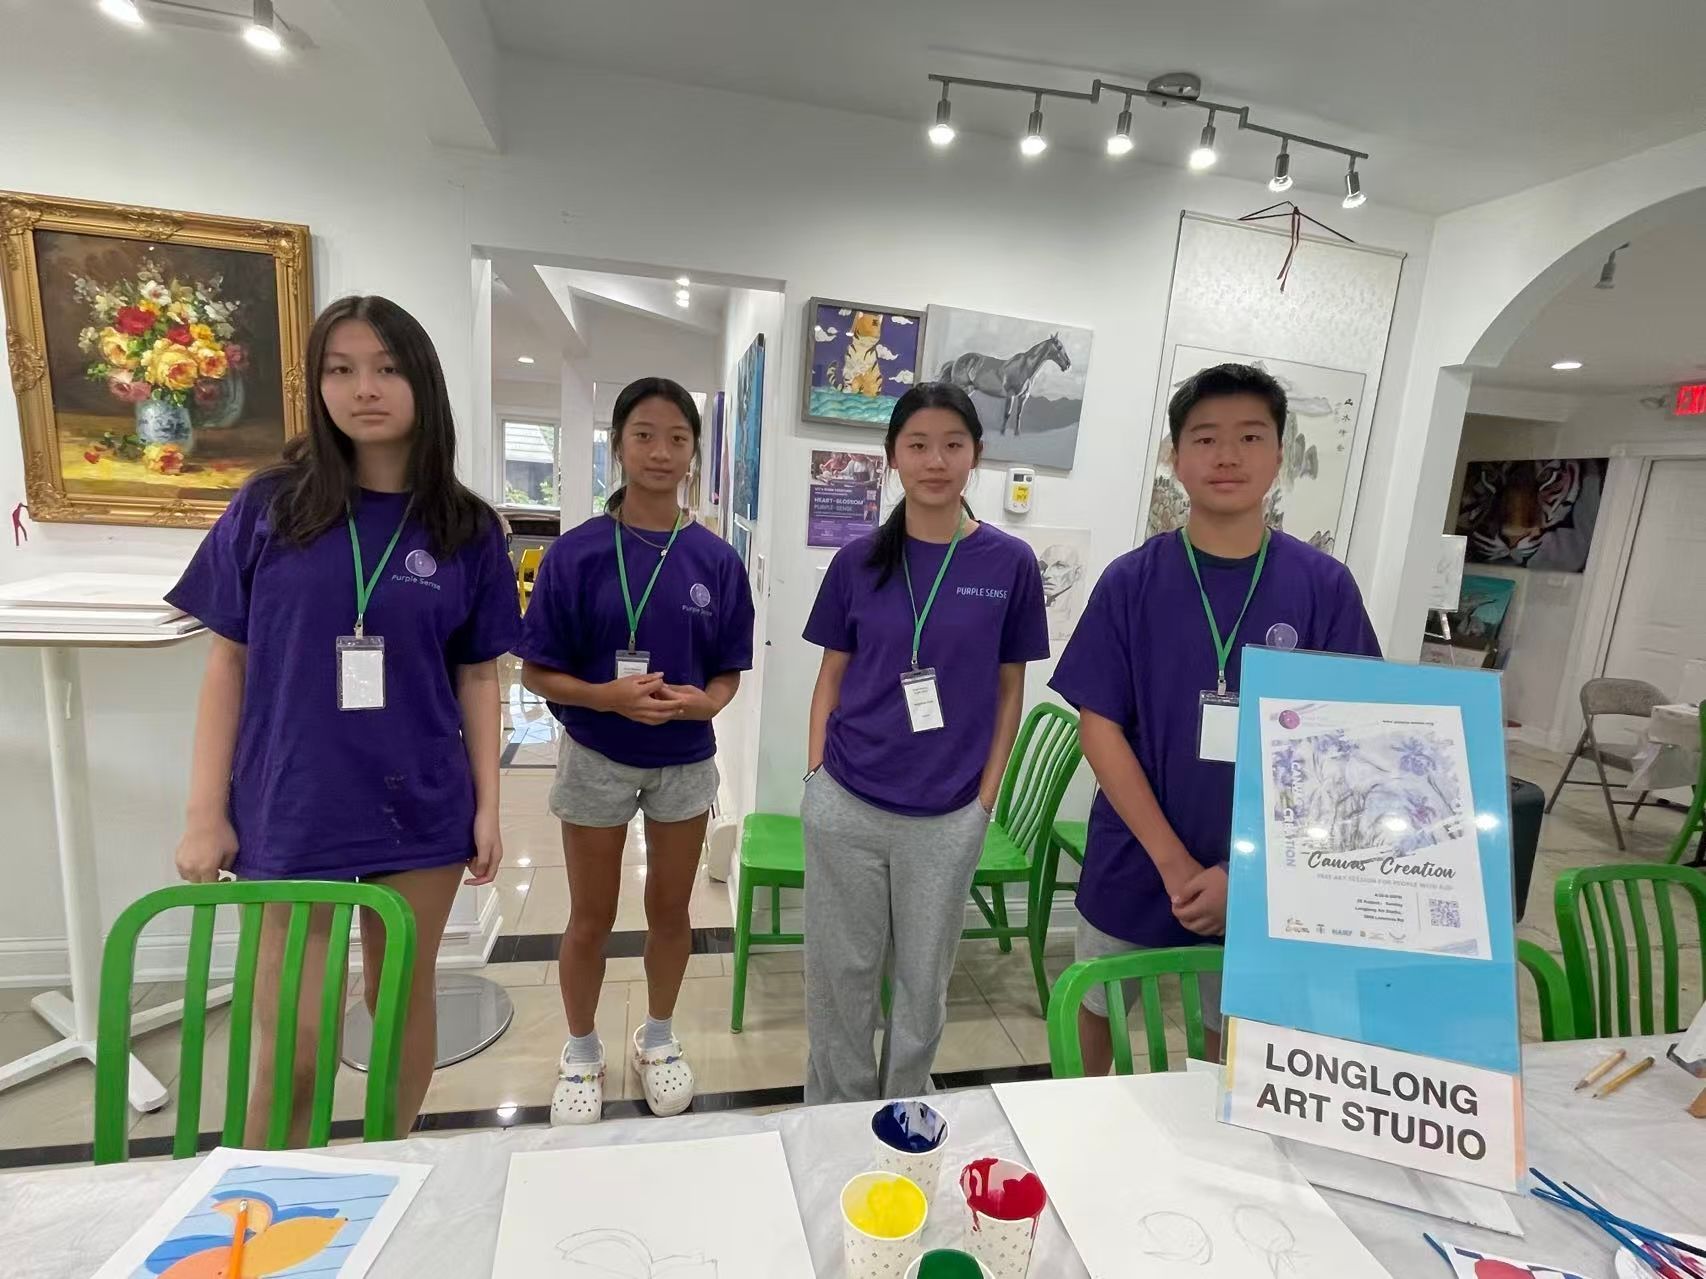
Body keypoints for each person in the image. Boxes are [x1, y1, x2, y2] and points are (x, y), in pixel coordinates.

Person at [169, 295, 519, 1143]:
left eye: (387, 368)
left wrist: (487, 804)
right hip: (294, 800)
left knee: (398, 1005)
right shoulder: (270, 505)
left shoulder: (467, 527)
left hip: (420, 801)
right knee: (295, 1041)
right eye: (342, 368)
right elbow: (227, 662)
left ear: (423, 381)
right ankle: (273, 1191)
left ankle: (387, 1165)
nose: (365, 388)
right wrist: (205, 811)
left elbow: (478, 674)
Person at [1050, 363, 1381, 1074]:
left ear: (1279, 454)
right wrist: (1175, 863)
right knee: (1096, 1014)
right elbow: (1099, 727)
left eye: (1250, 437)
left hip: (1271, 871)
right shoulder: (1131, 580)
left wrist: (1244, 871)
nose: (1227, 456)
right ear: (1176, 457)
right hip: (1136, 855)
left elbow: (1347, 746)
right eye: (1205, 438)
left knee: (1234, 1043)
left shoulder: (1323, 586)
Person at [801, 383, 1049, 1104]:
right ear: (893, 458)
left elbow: (1010, 689)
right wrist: (815, 777)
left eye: (951, 444)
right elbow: (831, 674)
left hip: (946, 815)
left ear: (976, 455)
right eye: (917, 445)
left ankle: (903, 1108)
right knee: (840, 977)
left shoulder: (1009, 563)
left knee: (923, 982)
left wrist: (985, 801)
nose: (935, 461)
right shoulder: (858, 561)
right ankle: (838, 1111)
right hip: (848, 800)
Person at [516, 377, 754, 1125]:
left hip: (684, 757)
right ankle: (581, 1048)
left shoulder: (716, 560)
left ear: (693, 452)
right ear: (617, 445)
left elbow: (728, 671)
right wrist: (605, 696)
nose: (660, 451)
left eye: (678, 438)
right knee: (590, 915)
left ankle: (657, 1037)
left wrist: (709, 702)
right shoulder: (576, 554)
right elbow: (535, 672)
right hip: (597, 751)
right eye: (644, 435)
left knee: (671, 911)